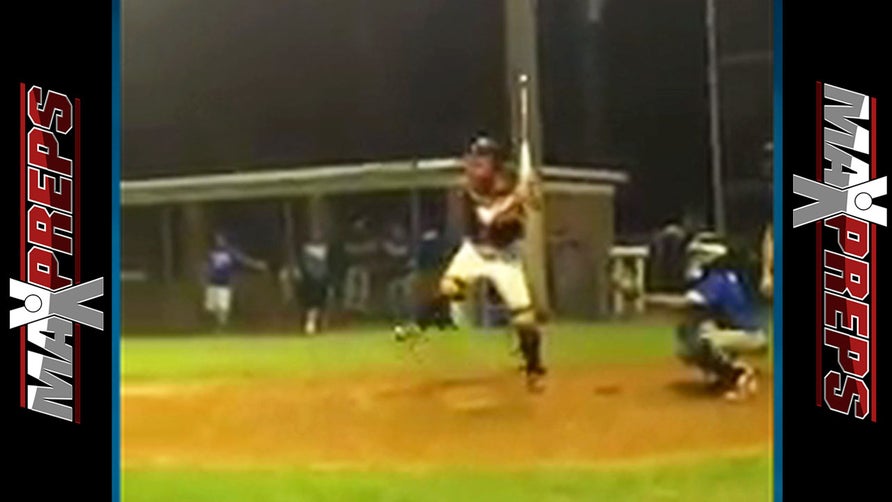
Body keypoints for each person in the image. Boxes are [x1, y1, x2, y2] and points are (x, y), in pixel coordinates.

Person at [395, 136, 547, 392]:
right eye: (476, 158)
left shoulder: (509, 180)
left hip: (505, 257)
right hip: (475, 251)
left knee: (525, 318)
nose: (476, 163)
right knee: (449, 289)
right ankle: (416, 326)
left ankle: (534, 370)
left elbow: (532, 208)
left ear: (495, 162)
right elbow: (489, 219)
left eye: (483, 158)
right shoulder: (471, 187)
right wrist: (515, 199)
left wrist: (530, 194)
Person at [654, 241, 768, 401]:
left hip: (749, 336)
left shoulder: (716, 280)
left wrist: (646, 298)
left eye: (698, 256)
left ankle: (740, 376)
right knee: (688, 332)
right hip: (743, 333)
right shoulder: (725, 277)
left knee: (699, 340)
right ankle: (724, 378)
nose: (693, 261)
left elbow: (685, 304)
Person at [203, 232, 267, 331]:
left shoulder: (230, 252)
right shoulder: (212, 252)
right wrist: (205, 276)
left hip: (224, 283)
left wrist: (256, 264)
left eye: (221, 239)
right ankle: (215, 325)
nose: (219, 241)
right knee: (211, 308)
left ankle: (221, 326)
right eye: (217, 239)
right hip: (212, 283)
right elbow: (207, 266)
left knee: (223, 307)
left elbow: (243, 260)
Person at [342, 217, 377, 313]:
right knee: (350, 284)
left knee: (364, 285)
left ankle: (362, 306)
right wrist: (361, 250)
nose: (359, 227)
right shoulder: (350, 237)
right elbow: (347, 250)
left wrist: (359, 250)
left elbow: (372, 248)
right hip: (352, 265)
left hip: (365, 265)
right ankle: (349, 305)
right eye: (357, 225)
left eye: (361, 225)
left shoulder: (368, 236)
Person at [381, 222, 413, 323]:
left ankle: (409, 316)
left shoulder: (408, 244)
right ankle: (396, 317)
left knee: (407, 294)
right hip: (393, 276)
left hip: (406, 275)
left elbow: (410, 259)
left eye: (399, 231)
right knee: (392, 295)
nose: (398, 233)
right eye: (395, 231)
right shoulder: (388, 244)